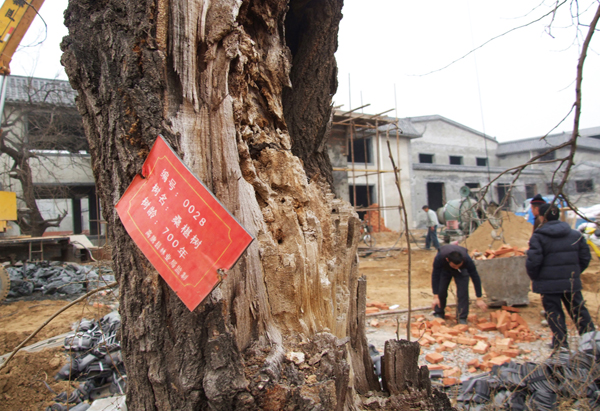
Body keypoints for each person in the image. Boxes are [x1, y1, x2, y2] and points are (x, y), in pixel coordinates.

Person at [526, 203, 595, 350]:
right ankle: (592, 345)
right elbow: (585, 257)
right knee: (579, 311)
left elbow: (533, 262)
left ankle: (561, 347)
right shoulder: (575, 234)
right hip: (570, 281)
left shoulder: (538, 237)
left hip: (548, 285)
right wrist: (574, 273)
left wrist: (537, 278)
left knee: (554, 314)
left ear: (543, 217)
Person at [431, 244, 488, 324]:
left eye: (458, 265)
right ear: (448, 260)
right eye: (454, 266)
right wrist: (435, 296)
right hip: (445, 269)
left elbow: (475, 277)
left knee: (463, 292)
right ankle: (439, 313)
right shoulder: (440, 258)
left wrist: (479, 298)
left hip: (463, 270)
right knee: (441, 290)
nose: (456, 268)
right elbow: (435, 276)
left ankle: (462, 317)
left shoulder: (467, 260)